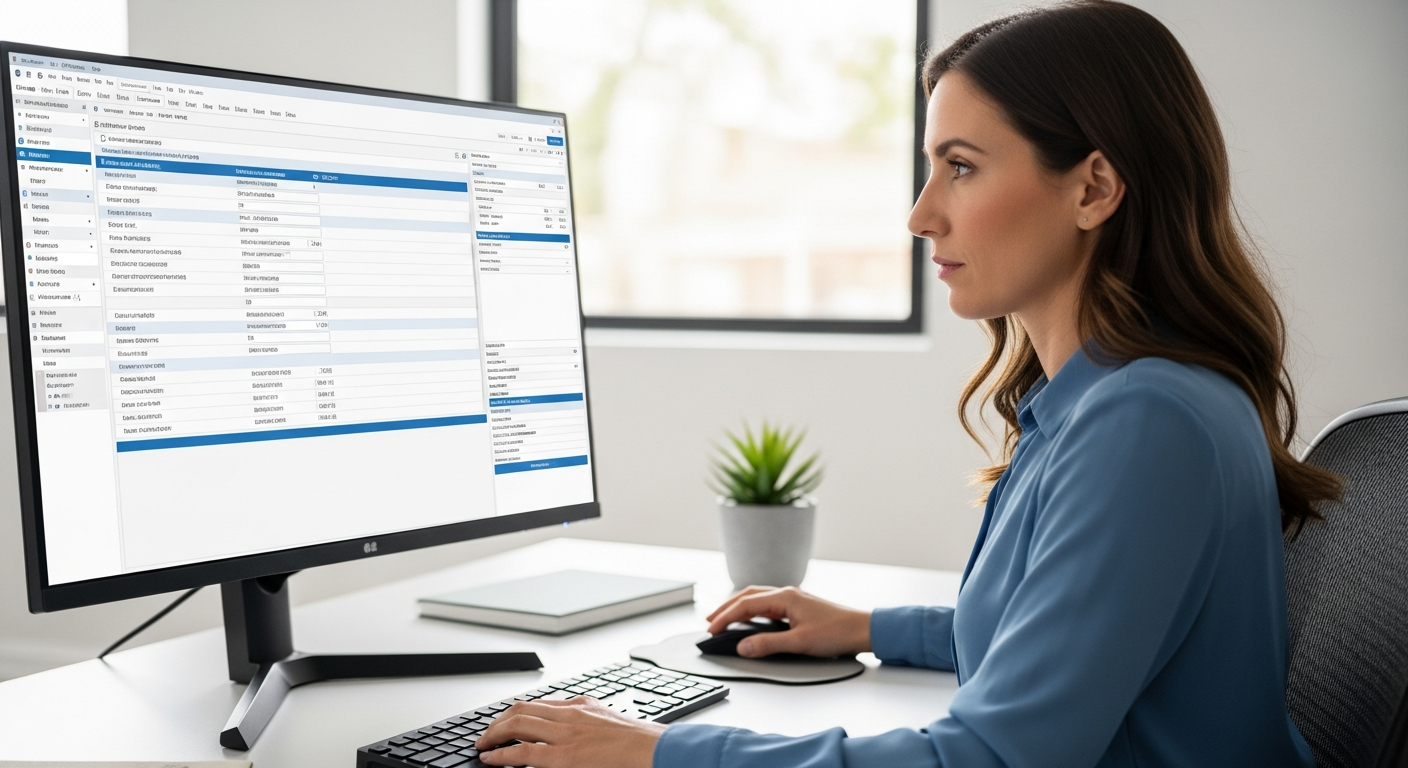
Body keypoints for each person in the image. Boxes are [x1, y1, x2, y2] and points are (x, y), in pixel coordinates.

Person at [475, 1, 1342, 765]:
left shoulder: (1144, 421)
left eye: (960, 166)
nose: (921, 214)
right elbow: (1062, 639)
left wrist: (660, 755)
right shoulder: (1118, 398)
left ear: (1094, 187)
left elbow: (994, 758)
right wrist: (867, 628)